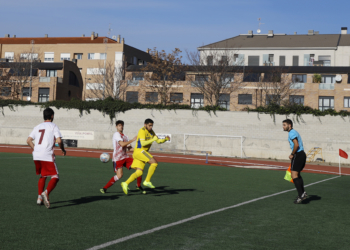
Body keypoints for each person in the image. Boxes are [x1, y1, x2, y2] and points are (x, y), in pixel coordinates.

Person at [27, 108, 66, 209]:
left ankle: (39, 198)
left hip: (36, 155)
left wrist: (35, 149)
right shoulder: (53, 126)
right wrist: (63, 150)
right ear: (52, 116)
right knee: (55, 177)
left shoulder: (37, 126)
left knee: (43, 175)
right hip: (47, 155)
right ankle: (46, 192)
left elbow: (28, 140)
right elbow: (59, 141)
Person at [121, 118, 169, 195]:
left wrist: (165, 139)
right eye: (149, 125)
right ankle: (147, 181)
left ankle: (125, 183)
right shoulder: (142, 131)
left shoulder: (151, 132)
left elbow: (158, 140)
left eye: (152, 126)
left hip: (140, 153)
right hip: (140, 151)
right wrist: (153, 139)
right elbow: (143, 143)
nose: (151, 127)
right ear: (145, 125)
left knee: (139, 172)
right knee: (154, 163)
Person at [100, 120, 145, 194]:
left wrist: (140, 149)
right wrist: (133, 140)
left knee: (140, 167)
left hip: (125, 157)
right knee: (120, 175)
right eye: (119, 125)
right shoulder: (116, 134)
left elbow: (130, 149)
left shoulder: (125, 137)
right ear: (116, 127)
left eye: (122, 125)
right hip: (117, 158)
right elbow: (122, 144)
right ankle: (104, 188)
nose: (121, 127)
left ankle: (138, 185)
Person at [282, 119, 307, 204]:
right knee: (297, 175)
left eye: (284, 125)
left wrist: (292, 154)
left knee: (294, 175)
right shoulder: (294, 132)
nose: (283, 127)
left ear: (290, 125)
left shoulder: (291, 133)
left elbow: (296, 144)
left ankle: (301, 195)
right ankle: (302, 193)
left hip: (298, 154)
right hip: (301, 154)